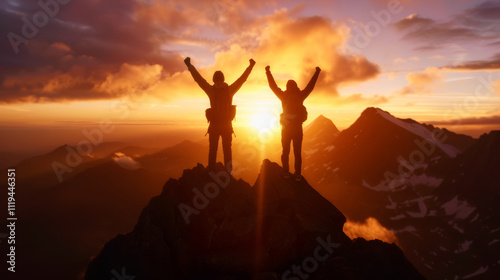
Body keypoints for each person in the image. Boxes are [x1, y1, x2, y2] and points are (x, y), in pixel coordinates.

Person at [185, 57, 255, 173]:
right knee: (227, 150)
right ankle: (228, 173)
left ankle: (211, 171)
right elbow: (242, 79)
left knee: (212, 150)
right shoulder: (230, 90)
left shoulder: (211, 90)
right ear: (223, 79)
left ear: (213, 80)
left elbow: (199, 79)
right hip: (227, 126)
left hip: (214, 126)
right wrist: (251, 66)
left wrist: (189, 65)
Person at [266, 65, 321, 181]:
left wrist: (268, 72)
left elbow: (272, 86)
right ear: (296, 86)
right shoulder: (300, 95)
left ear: (287, 87)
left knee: (285, 152)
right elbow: (310, 87)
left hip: (286, 129)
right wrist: (317, 72)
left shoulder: (283, 96)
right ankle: (298, 175)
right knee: (297, 152)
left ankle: (285, 172)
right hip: (297, 129)